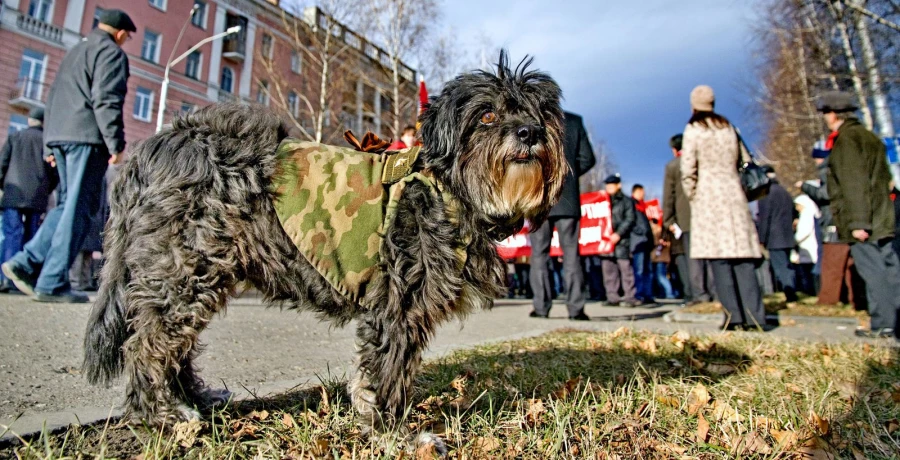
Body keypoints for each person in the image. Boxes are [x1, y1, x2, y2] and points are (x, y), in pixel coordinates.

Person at [1, 9, 135, 303]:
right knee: (77, 209)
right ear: (122, 33)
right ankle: (51, 282)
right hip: (86, 138)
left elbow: (52, 96)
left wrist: (49, 143)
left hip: (60, 136)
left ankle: (24, 263)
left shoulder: (76, 50)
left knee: (65, 207)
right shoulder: (111, 53)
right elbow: (106, 98)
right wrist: (115, 143)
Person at [681, 85, 766, 330]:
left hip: (709, 197)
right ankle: (755, 317)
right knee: (743, 259)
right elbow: (746, 161)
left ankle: (733, 317)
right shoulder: (729, 128)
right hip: (734, 195)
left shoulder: (694, 130)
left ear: (694, 104)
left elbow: (688, 169)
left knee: (720, 261)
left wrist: (694, 196)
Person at [819, 90, 900, 339]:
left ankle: (883, 324)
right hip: (883, 214)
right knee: (891, 268)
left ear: (833, 115)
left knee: (873, 271)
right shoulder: (870, 137)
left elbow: (854, 183)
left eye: (825, 113)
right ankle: (894, 321)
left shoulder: (846, 140)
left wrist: (858, 222)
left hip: (864, 218)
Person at [528, 111, 595, 320]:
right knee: (571, 255)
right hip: (568, 198)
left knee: (539, 254)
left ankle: (541, 307)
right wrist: (568, 176)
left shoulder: (533, 119)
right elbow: (588, 158)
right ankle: (576, 309)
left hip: (539, 197)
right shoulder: (574, 121)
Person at [0, 108, 58, 292]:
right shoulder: (47, 142)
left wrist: (4, 187)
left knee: (11, 234)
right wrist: (46, 190)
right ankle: (22, 275)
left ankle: (5, 278)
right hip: (37, 197)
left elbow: (2, 163)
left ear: (30, 120)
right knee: (31, 235)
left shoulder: (15, 137)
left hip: (13, 197)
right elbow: (54, 173)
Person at [663, 134, 714, 305]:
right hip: (707, 215)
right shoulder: (703, 162)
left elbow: (669, 195)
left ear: (674, 149)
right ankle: (715, 291)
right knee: (710, 254)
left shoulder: (673, 166)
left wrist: (668, 219)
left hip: (686, 217)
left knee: (694, 257)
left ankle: (699, 294)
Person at [756, 166, 798, 302]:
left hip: (775, 238)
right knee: (787, 265)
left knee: (780, 267)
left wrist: (761, 238)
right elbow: (793, 212)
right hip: (787, 235)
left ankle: (790, 293)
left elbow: (765, 218)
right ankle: (792, 290)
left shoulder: (766, 194)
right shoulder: (784, 191)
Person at [600, 174, 639, 307]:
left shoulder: (627, 201)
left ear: (619, 185)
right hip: (605, 242)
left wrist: (618, 234)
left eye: (611, 184)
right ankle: (612, 297)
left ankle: (630, 297)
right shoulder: (602, 201)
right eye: (607, 185)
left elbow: (630, 219)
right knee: (609, 271)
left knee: (625, 270)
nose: (609, 187)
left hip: (621, 242)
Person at [630, 184, 653, 303]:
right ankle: (638, 294)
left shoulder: (643, 206)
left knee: (647, 270)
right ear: (635, 192)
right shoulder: (632, 204)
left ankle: (647, 294)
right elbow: (631, 221)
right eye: (641, 192)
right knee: (638, 270)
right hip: (637, 242)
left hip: (646, 242)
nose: (643, 194)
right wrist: (642, 232)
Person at [793, 194, 820, 295]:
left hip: (808, 246)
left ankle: (810, 290)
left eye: (797, 205)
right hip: (807, 246)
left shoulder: (806, 214)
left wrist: (794, 240)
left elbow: (804, 232)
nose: (796, 208)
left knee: (807, 271)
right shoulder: (809, 213)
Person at [650, 218, 675, 299]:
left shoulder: (658, 233)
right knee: (659, 276)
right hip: (659, 258)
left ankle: (669, 293)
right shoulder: (660, 232)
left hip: (660, 258)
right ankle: (663, 293)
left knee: (661, 276)